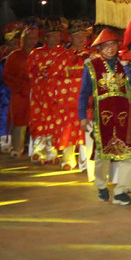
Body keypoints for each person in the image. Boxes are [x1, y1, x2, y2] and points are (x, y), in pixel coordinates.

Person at [78, 28, 131, 205]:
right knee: (102, 154)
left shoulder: (126, 65)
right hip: (102, 115)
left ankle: (121, 191)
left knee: (128, 154)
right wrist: (82, 115)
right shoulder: (91, 66)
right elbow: (84, 93)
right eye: (105, 46)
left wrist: (128, 69)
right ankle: (101, 185)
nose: (110, 48)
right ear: (99, 48)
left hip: (124, 115)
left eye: (113, 44)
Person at [26, 19, 70, 163]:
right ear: (46, 37)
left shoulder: (64, 53)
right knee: (38, 121)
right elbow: (29, 73)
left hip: (57, 94)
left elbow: (67, 74)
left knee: (55, 121)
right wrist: (41, 76)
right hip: (40, 93)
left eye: (58, 35)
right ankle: (38, 151)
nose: (56, 38)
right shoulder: (36, 53)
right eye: (52, 35)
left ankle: (52, 151)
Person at [54, 19, 92, 171]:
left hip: (87, 101)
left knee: (86, 131)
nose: (81, 39)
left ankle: (85, 162)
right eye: (77, 36)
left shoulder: (92, 56)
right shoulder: (63, 57)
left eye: (84, 35)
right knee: (68, 129)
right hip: (68, 101)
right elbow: (54, 78)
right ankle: (68, 159)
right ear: (70, 38)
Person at [1, 22, 33, 158]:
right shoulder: (15, 55)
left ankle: (34, 149)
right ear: (22, 40)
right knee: (20, 121)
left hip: (36, 93)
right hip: (20, 93)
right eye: (28, 38)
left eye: (34, 38)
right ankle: (17, 147)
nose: (31, 42)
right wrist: (20, 87)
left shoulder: (38, 54)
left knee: (36, 121)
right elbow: (7, 75)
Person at [0, 23, 24, 153]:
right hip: (6, 94)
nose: (13, 47)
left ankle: (19, 143)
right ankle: (6, 142)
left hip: (20, 94)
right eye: (10, 45)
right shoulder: (3, 62)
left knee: (21, 118)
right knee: (5, 118)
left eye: (15, 44)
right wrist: (1, 92)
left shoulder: (24, 59)